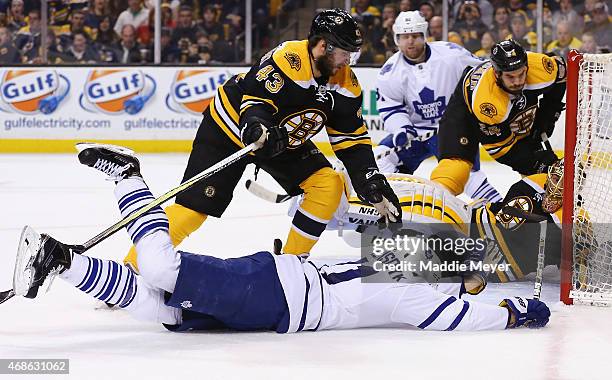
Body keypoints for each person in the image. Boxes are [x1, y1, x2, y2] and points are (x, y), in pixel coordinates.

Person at [13, 143, 551, 333]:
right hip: (279, 291)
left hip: (279, 302)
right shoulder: (414, 281)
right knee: (160, 273)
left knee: (163, 310)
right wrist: (512, 314)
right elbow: (455, 316)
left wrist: (499, 293)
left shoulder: (414, 274)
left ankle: (59, 263)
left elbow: (356, 228)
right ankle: (129, 177)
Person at [121, 8, 402, 272]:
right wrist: (257, 126)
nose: (348, 61)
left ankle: (292, 267)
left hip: (280, 139)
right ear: (321, 46)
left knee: (327, 184)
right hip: (229, 128)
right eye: (343, 53)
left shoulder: (346, 85)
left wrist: (369, 179)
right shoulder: (290, 58)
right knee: (193, 210)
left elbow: (351, 140)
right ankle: (133, 267)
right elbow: (255, 102)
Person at [375, 11, 502, 203]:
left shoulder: (452, 54)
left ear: (424, 36)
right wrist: (401, 128)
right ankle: (400, 203)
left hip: (453, 129)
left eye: (416, 36)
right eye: (405, 37)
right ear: (397, 39)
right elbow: (391, 107)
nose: (411, 41)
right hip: (415, 132)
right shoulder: (389, 72)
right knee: (380, 159)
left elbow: (483, 74)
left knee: (469, 177)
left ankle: (499, 209)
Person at [430, 39, 566, 197]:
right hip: (464, 112)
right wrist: (536, 162)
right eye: (510, 77)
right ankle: (435, 199)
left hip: (505, 110)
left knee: (542, 176)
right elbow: (502, 150)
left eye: (521, 74)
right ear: (497, 74)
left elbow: (561, 75)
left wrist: (549, 111)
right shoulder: (488, 104)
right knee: (454, 170)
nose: (517, 81)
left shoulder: (539, 67)